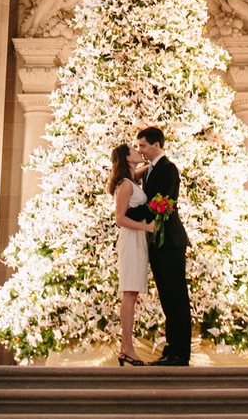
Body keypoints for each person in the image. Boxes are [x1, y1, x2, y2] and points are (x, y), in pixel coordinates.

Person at [136, 126, 191, 366]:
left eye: (143, 146)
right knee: (167, 299)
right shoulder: (151, 169)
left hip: (170, 240)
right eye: (138, 147)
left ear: (156, 145)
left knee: (177, 297)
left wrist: (127, 213)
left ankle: (181, 353)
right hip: (157, 243)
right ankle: (171, 349)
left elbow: (161, 202)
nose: (141, 150)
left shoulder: (168, 169)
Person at [109, 144, 155, 367]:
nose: (140, 152)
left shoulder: (131, 179)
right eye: (135, 151)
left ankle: (126, 348)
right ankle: (127, 348)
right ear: (128, 158)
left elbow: (138, 172)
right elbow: (119, 218)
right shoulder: (126, 185)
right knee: (129, 293)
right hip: (131, 239)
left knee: (132, 293)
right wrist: (147, 228)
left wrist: (151, 165)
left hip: (137, 240)